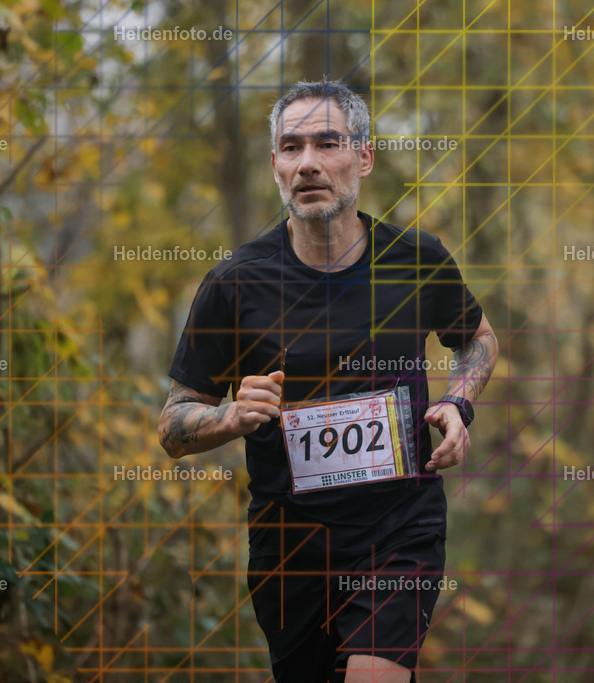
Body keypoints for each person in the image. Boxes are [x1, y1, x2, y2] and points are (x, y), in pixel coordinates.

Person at [158, 78, 498, 683]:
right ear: (275, 166)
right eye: (291, 148)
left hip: (399, 528)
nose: (308, 163)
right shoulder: (237, 282)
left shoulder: (416, 261)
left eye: (327, 143)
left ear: (363, 157)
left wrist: (456, 403)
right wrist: (228, 417)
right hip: (290, 546)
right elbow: (174, 425)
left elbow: (477, 338)